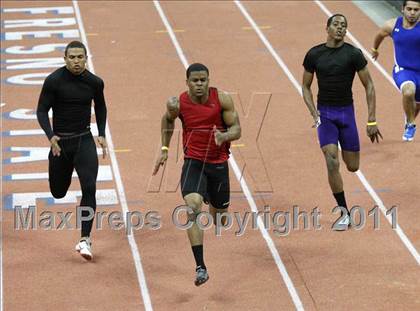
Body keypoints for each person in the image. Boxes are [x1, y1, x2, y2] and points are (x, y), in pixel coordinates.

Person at [153, 63, 241, 286]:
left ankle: (213, 199)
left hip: (218, 164)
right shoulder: (178, 103)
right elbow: (167, 120)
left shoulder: (222, 99)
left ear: (209, 80)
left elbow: (237, 129)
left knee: (219, 218)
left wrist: (224, 137)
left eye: (203, 80)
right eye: (195, 81)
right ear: (187, 82)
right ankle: (201, 266)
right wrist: (164, 149)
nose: (199, 84)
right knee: (192, 208)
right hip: (193, 162)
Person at [302, 14, 382, 230]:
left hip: (346, 113)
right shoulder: (314, 54)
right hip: (325, 114)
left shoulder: (353, 54)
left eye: (344, 26)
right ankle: (344, 212)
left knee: (353, 167)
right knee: (331, 159)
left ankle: (347, 161)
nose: (340, 28)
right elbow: (305, 86)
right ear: (327, 28)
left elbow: (370, 86)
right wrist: (313, 113)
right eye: (336, 24)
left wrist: (371, 119)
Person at [36, 40, 108, 261]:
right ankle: (83, 236)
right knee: (58, 191)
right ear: (65, 58)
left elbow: (101, 106)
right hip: (60, 144)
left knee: (89, 187)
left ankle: (85, 238)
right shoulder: (54, 81)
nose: (77, 61)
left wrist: (102, 133)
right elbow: (41, 110)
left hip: (83, 141)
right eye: (72, 57)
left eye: (80, 57)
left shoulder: (95, 82)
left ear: (86, 58)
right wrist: (51, 136)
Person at [371, 0, 420, 141]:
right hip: (403, 70)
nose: (412, 13)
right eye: (409, 9)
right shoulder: (392, 25)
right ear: (403, 9)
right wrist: (375, 49)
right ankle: (411, 124)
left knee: (416, 104)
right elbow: (380, 35)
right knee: (409, 91)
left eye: (416, 10)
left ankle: (409, 117)